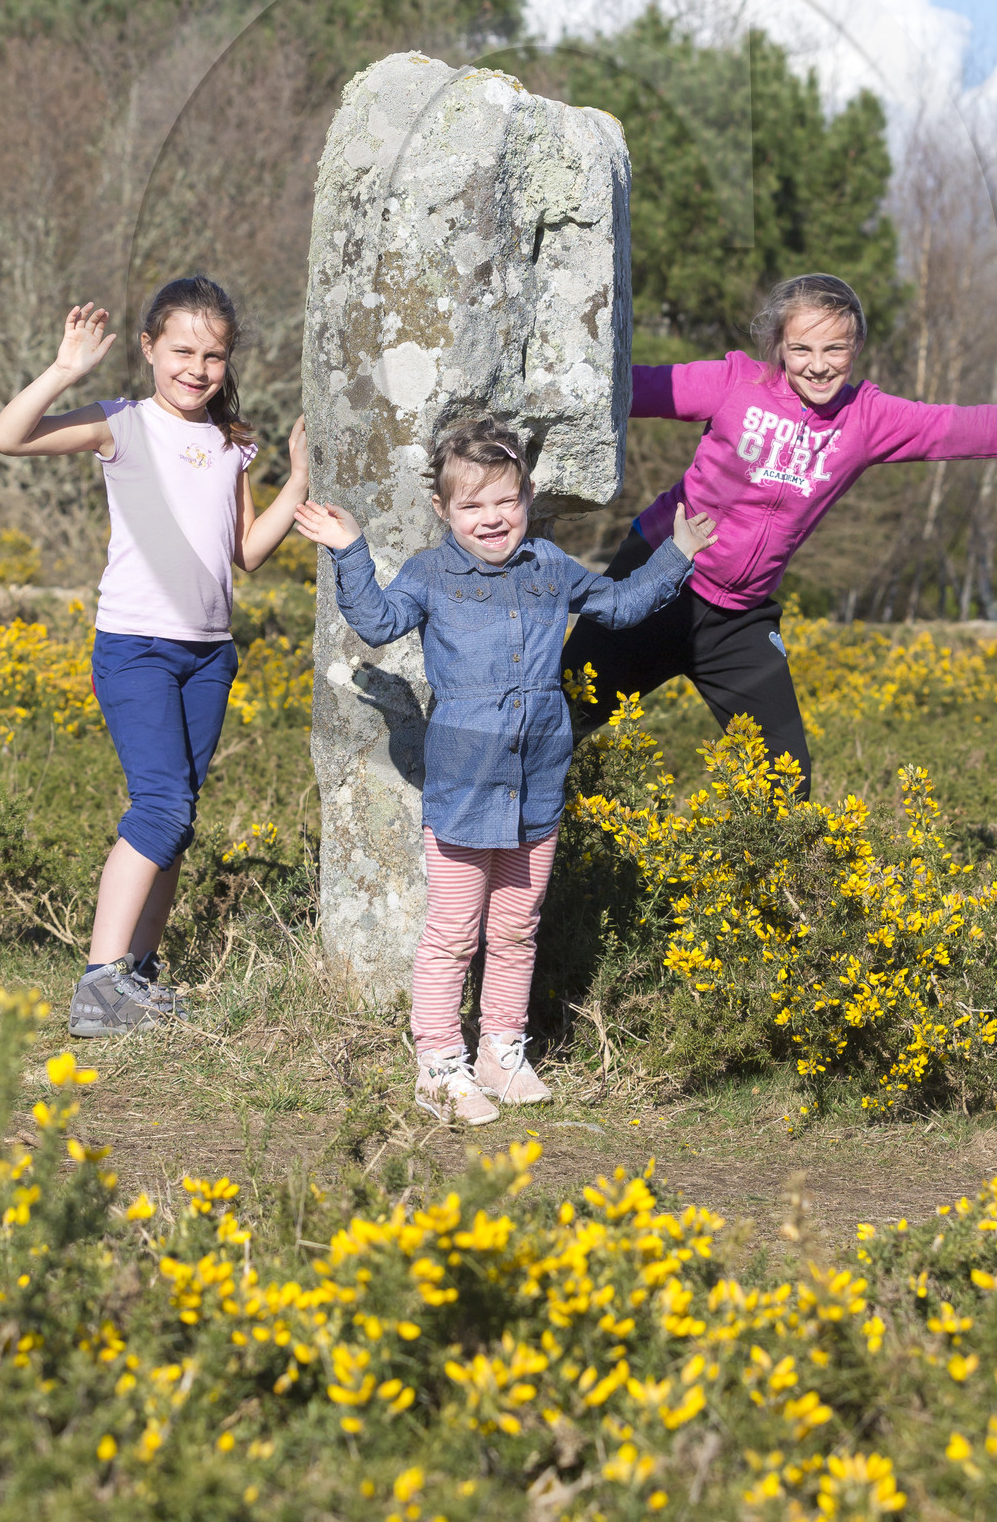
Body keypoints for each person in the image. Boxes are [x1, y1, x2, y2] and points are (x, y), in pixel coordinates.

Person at [562, 271, 997, 791]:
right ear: (778, 346)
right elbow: (619, 389)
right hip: (655, 583)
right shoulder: (735, 383)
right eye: (802, 349)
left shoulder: (869, 418)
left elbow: (980, 428)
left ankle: (766, 935)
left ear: (855, 349)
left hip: (739, 620)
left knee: (785, 786)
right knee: (552, 720)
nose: (817, 366)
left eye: (834, 349)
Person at [295, 416, 715, 1126]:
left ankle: (501, 1052)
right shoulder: (431, 575)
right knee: (454, 932)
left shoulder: (549, 567)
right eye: (473, 506)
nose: (492, 519)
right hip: (462, 787)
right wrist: (349, 548)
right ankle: (437, 1065)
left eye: (506, 501)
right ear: (443, 510)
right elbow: (375, 620)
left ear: (526, 498)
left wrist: (676, 552)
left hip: (538, 784)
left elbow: (621, 607)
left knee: (517, 928)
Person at [0, 278, 309, 1038]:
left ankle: (136, 975)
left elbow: (247, 553)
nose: (197, 369)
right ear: (148, 349)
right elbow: (9, 436)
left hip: (209, 656)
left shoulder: (231, 444)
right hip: (135, 649)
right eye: (182, 352)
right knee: (160, 808)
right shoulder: (119, 424)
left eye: (213, 355)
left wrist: (296, 483)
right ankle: (99, 986)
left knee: (180, 818)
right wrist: (66, 369)